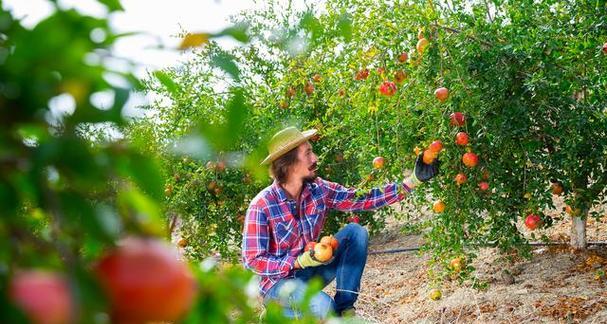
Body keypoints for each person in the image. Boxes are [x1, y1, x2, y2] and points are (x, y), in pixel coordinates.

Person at [241, 126, 439, 319]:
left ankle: (345, 310)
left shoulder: (318, 189)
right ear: (289, 164)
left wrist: (412, 182)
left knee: (356, 233)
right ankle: (278, 313)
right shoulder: (262, 205)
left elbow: (361, 198)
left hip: (309, 272)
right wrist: (296, 262)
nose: (315, 158)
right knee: (325, 308)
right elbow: (252, 261)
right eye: (308, 153)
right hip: (278, 285)